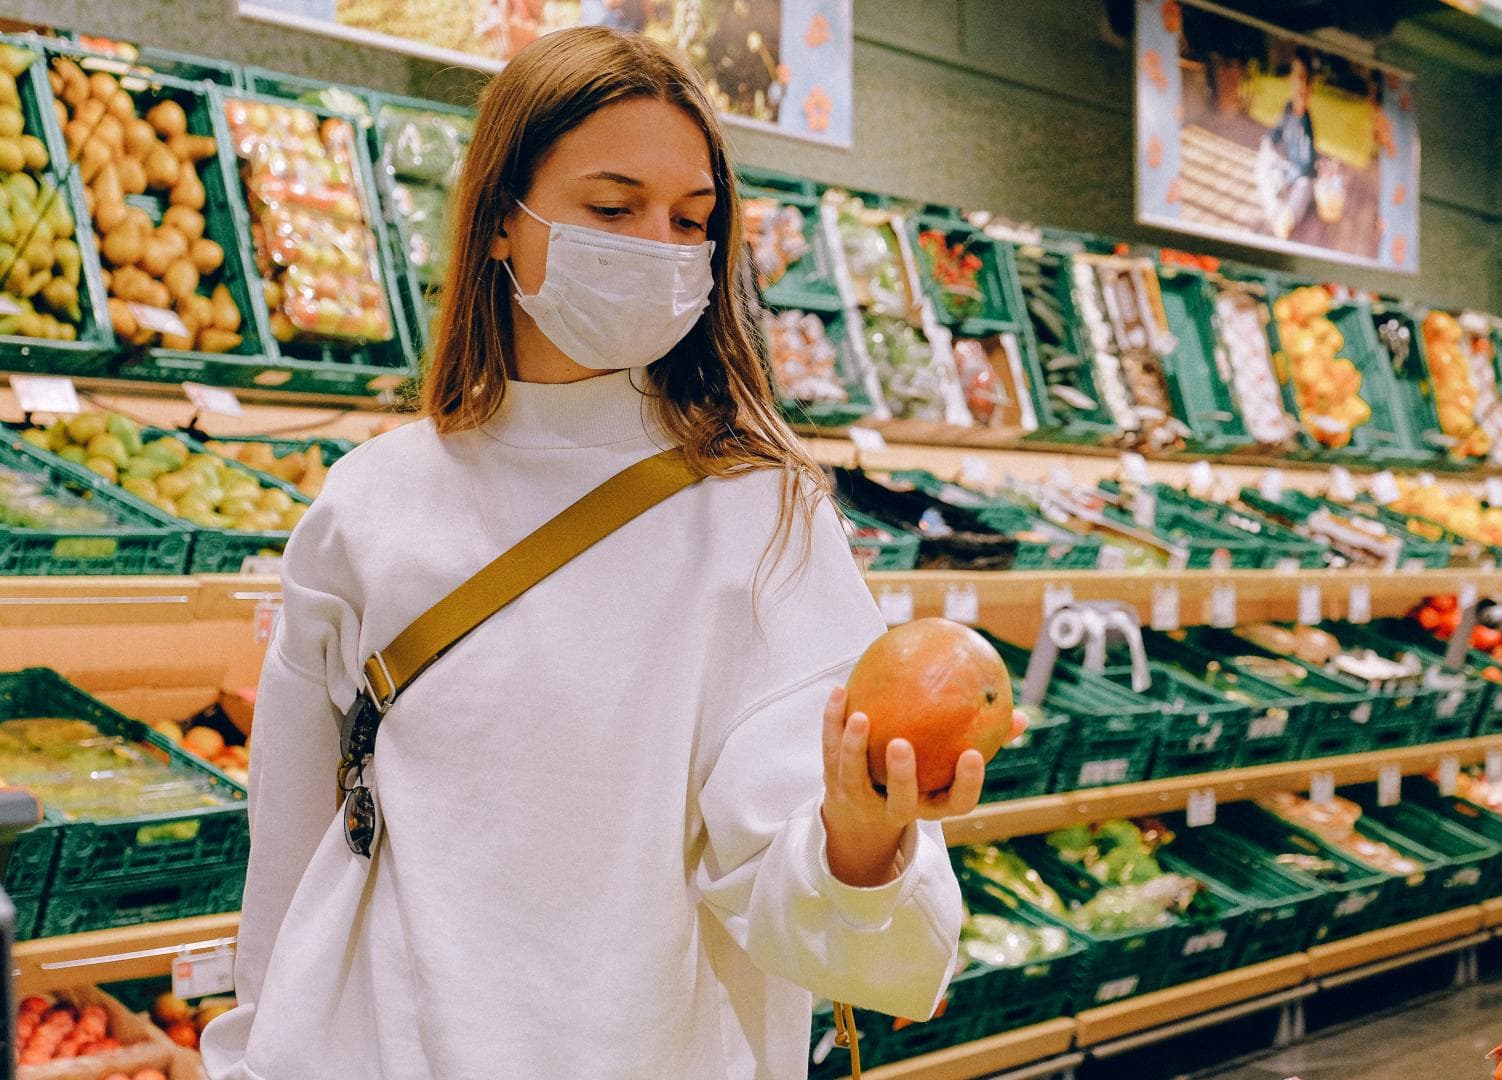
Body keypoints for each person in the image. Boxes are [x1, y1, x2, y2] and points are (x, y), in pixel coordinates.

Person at [200, 26, 1020, 1079]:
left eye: (691, 220)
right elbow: (294, 843)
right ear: (502, 218)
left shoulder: (763, 517)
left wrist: (861, 839)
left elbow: (830, 913)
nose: (659, 248)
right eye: (612, 208)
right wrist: (255, 1049)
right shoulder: (369, 506)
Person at [1254, 56, 1319, 240]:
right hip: (1286, 168)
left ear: (1308, 90)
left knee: (1304, 187)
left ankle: (1285, 217)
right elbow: (1278, 129)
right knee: (1262, 166)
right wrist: (1268, 140)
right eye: (1294, 78)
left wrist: (1292, 178)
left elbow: (1307, 163)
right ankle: (1277, 211)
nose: (1297, 86)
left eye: (1301, 80)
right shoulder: (1288, 107)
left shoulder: (1305, 122)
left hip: (1300, 175)